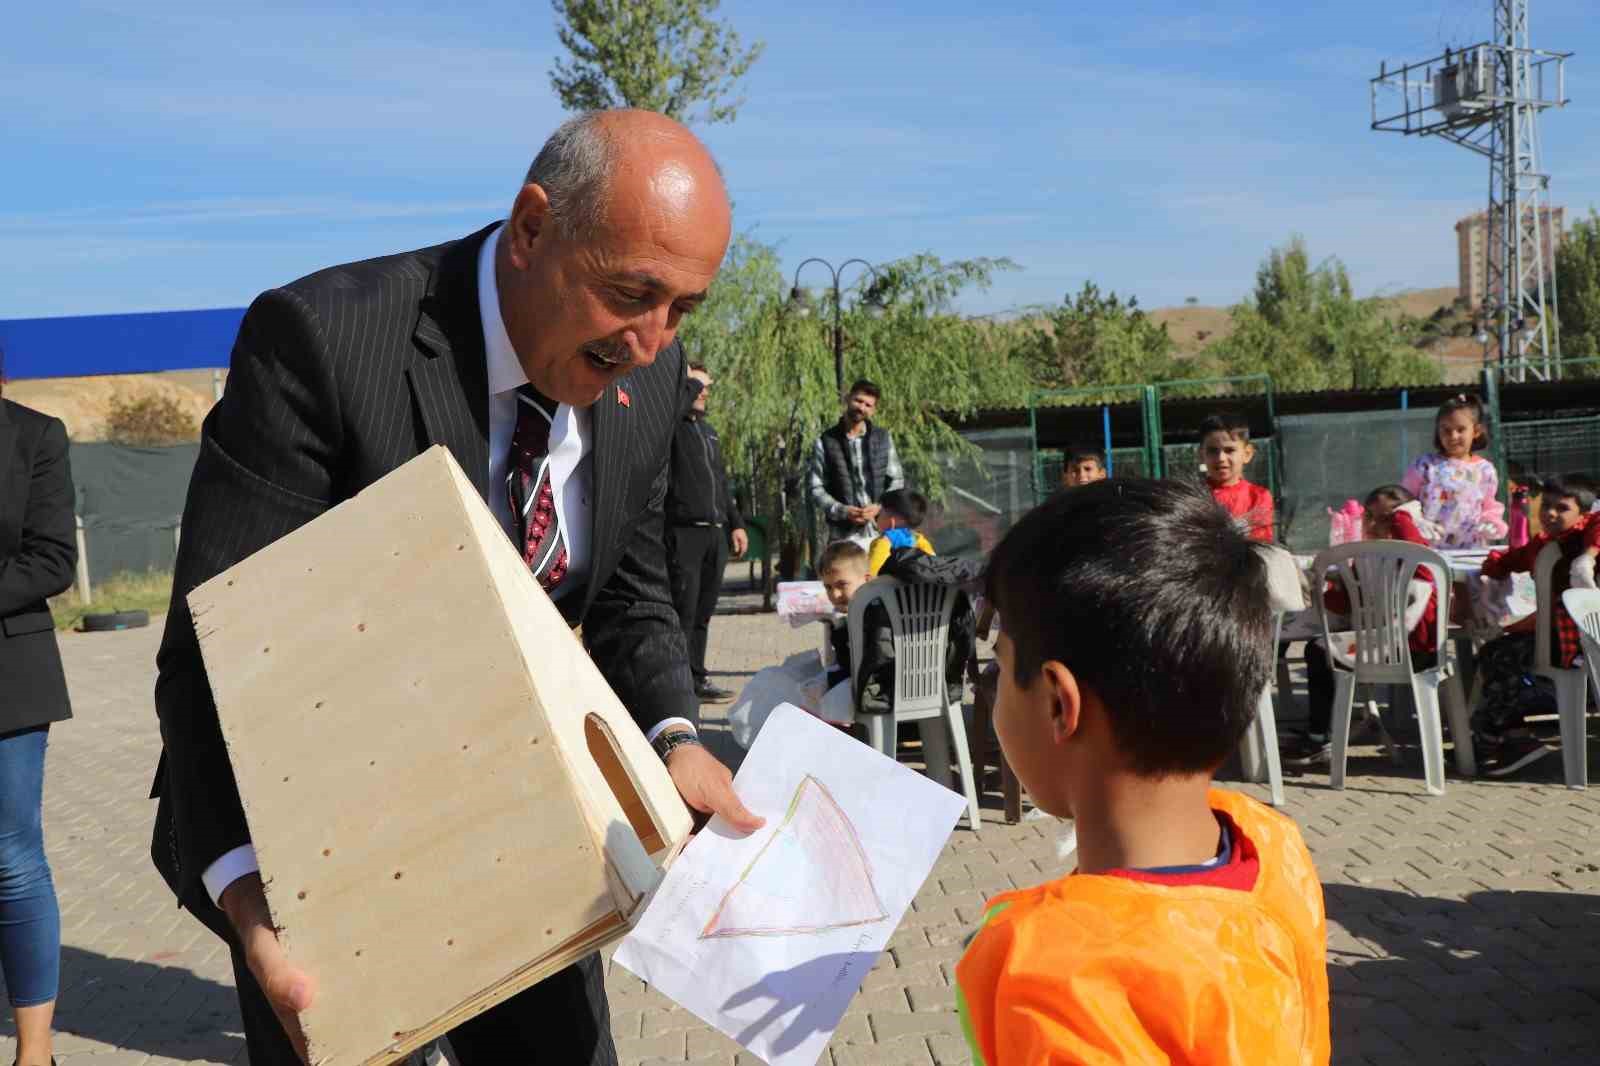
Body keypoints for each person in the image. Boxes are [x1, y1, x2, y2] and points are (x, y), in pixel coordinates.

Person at [149, 110, 764, 1065]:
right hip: (325, 850)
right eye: (630, 294)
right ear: (531, 229)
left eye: (683, 307)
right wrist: (251, 898)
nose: (649, 342)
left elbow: (633, 594)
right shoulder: (323, 341)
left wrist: (673, 736)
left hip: (538, 843)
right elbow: (215, 649)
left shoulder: (652, 378)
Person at [957, 479, 1330, 1065]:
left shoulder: (1052, 974)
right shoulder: (1271, 848)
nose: (993, 691)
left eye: (998, 669)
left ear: (1058, 703)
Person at [1, 364, 77, 1066]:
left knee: (10, 858)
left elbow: (54, 559)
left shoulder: (34, 437)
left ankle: (34, 1051)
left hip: (8, 675)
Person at [1281, 485, 1439, 768]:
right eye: (1370, 517)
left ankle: (1319, 738)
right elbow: (1347, 604)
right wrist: (1322, 588)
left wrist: (1403, 518)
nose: (1376, 524)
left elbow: (1418, 559)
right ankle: (1320, 735)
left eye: (1388, 518)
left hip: (1414, 648)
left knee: (1321, 651)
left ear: (1408, 520)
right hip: (1376, 644)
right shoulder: (1367, 556)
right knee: (1319, 648)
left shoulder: (1420, 554)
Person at [1471, 473, 1600, 777]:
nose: (1551, 513)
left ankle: (1491, 739)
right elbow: (1508, 561)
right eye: (1547, 506)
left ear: (1584, 515)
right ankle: (1512, 740)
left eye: (1562, 508)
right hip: (1557, 639)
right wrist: (1493, 567)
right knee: (1496, 653)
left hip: (1579, 646)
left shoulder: (1580, 541)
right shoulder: (1543, 544)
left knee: (1502, 656)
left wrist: (1589, 556)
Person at [726, 540, 866, 749]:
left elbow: (853, 664)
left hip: (862, 685)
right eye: (828, 587)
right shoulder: (861, 608)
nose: (835, 594)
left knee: (807, 693)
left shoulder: (865, 615)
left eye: (842, 585)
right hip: (857, 681)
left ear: (866, 579)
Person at [666, 363, 749, 703]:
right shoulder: (670, 426)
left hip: (715, 533)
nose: (703, 392)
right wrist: (688, 383)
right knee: (683, 611)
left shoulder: (708, 431)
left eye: (705, 387)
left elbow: (722, 483)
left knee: (703, 612)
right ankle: (677, 683)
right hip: (683, 534)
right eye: (697, 386)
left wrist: (737, 523)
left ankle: (697, 678)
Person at [1401, 393, 1508, 549]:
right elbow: (1404, 500)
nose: (1453, 436)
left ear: (1476, 431)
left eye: (1460, 429)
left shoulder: (1485, 470)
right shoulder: (1424, 466)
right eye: (1446, 430)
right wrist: (1416, 520)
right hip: (1427, 551)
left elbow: (1489, 505)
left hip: (1470, 552)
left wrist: (1490, 522)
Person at [808, 379, 904, 547]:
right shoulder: (825, 441)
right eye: (858, 401)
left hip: (881, 529)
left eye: (868, 405)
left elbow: (897, 480)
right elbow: (815, 489)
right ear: (848, 398)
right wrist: (843, 511)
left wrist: (879, 506)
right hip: (844, 533)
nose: (862, 407)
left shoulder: (883, 438)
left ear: (873, 410)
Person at [1200, 412, 1274, 543]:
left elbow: (1260, 545)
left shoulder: (1259, 497)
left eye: (1229, 450)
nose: (1221, 458)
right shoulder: (1193, 495)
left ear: (1247, 454)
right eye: (1212, 451)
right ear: (1201, 455)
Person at [866, 488, 932, 575]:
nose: (876, 517)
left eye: (880, 513)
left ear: (891, 521)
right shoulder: (920, 541)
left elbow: (870, 577)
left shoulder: (882, 544)